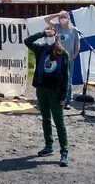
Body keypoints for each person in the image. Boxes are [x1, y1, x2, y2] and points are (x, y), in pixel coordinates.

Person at [25, 25, 70, 167]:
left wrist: (63, 97)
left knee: (59, 122)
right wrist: (42, 33)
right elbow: (27, 41)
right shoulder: (40, 49)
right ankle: (49, 146)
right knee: (45, 119)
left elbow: (66, 77)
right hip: (42, 90)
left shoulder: (63, 53)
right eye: (47, 35)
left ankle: (64, 152)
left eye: (51, 34)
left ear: (56, 36)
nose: (49, 37)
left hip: (56, 92)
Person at [44, 10, 80, 109]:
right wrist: (57, 14)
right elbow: (46, 19)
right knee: (54, 78)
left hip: (68, 58)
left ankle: (66, 101)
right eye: (61, 17)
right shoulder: (56, 27)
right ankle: (54, 99)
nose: (62, 19)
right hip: (56, 57)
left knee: (68, 80)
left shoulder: (74, 30)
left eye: (64, 17)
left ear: (68, 18)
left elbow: (77, 44)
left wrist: (75, 54)